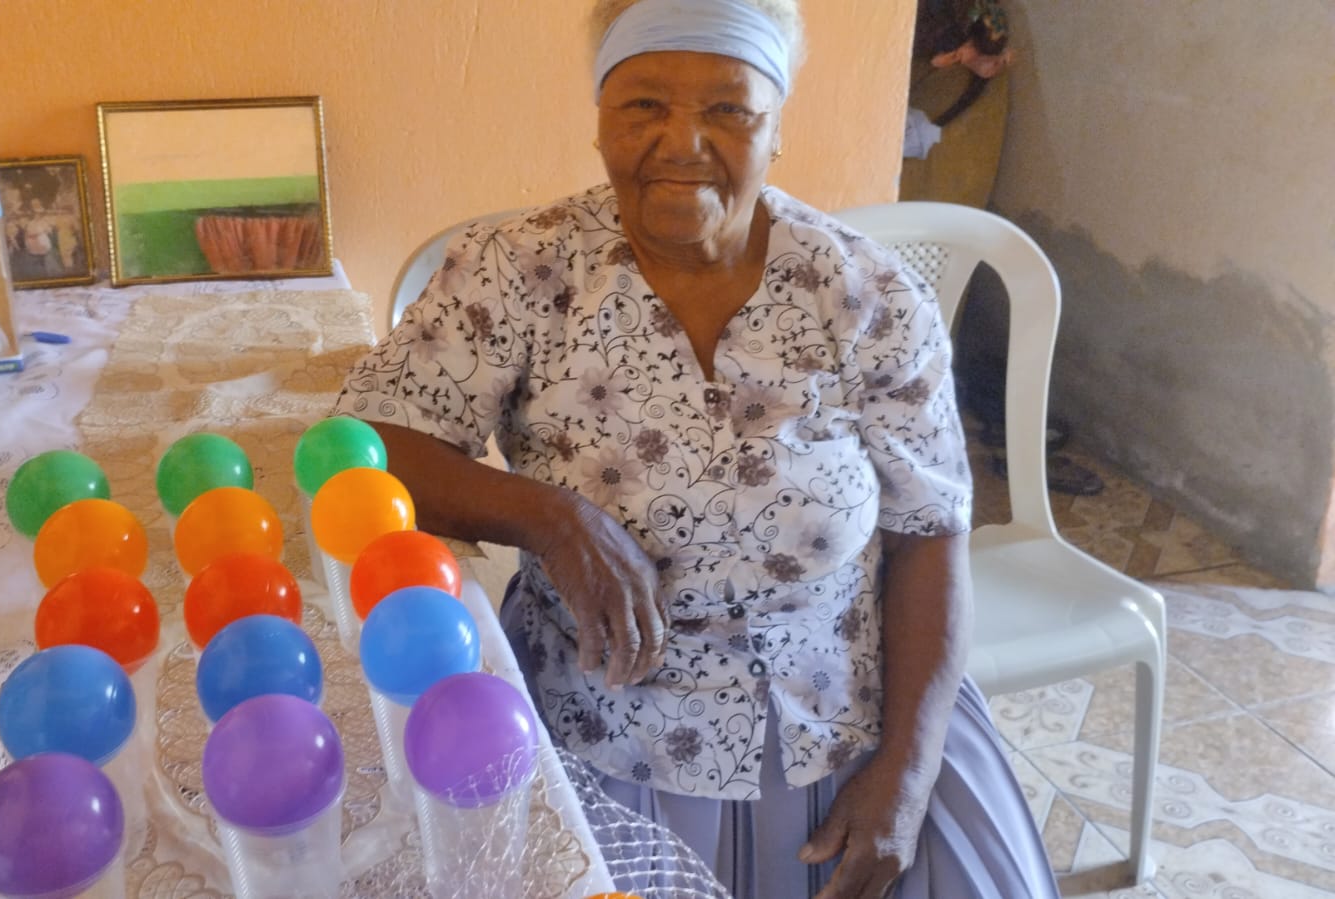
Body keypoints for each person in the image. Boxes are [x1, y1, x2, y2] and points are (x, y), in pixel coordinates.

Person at [333, 1, 1061, 895]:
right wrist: (551, 519)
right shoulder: (517, 269)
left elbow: (929, 531)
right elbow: (370, 446)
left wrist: (907, 775)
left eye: (728, 109)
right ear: (599, 118)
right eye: (643, 104)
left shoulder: (864, 291)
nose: (681, 142)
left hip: (841, 733)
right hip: (599, 735)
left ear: (775, 128)